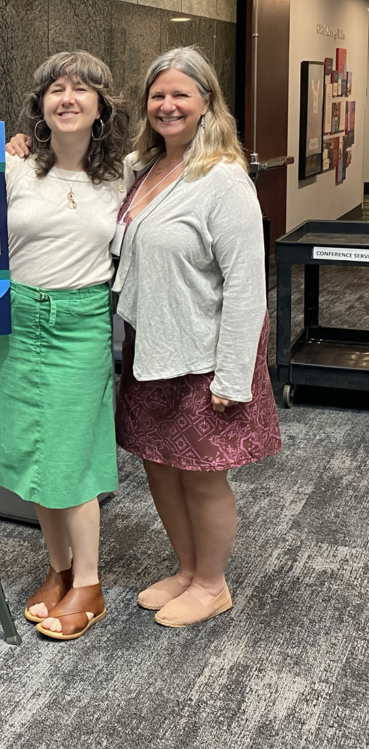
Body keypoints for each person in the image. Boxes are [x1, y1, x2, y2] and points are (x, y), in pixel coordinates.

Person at [0, 50, 129, 640]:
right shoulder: (17, 168)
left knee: (70, 457)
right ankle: (58, 569)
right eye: (56, 88)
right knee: (32, 447)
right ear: (41, 105)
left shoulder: (124, 176)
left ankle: (89, 584)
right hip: (20, 320)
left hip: (80, 322)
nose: (68, 98)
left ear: (102, 105)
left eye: (82, 89)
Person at [110, 47, 281, 627]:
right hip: (148, 349)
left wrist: (235, 374)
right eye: (158, 95)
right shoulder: (145, 167)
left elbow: (246, 286)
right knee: (159, 466)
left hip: (204, 357)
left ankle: (212, 584)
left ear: (208, 102)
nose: (167, 105)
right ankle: (186, 569)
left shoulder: (224, 179)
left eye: (181, 94)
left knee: (203, 477)